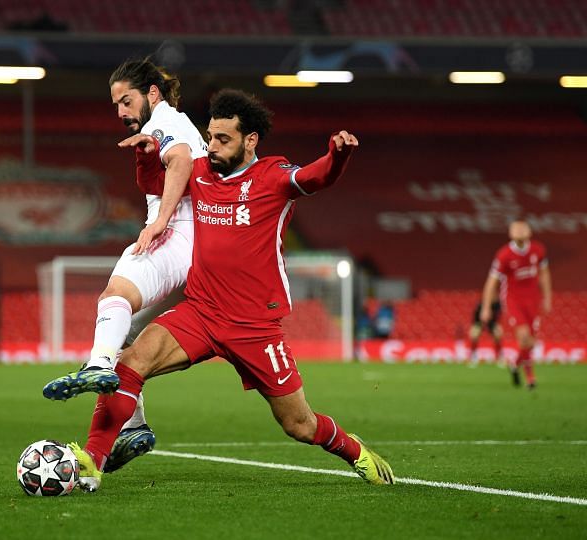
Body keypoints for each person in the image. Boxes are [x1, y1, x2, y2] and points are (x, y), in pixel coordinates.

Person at [50, 89, 394, 491]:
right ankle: (93, 461)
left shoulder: (273, 176)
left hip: (255, 327)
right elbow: (156, 185)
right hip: (201, 312)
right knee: (128, 363)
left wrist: (338, 155)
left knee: (298, 424)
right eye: (210, 136)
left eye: (223, 139)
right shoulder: (200, 171)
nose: (211, 147)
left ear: (251, 140)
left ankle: (356, 452)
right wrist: (145, 155)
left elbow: (317, 176)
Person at [43, 58, 207, 472]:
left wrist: (160, 221)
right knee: (128, 336)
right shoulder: (165, 124)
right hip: (200, 246)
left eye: (127, 100)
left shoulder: (166, 120)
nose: (120, 111)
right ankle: (133, 425)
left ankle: (97, 365)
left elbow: (183, 159)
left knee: (114, 296)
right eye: (116, 104)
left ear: (152, 93)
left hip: (180, 236)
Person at [480, 220, 551, 388]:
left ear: (529, 231)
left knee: (531, 342)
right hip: (513, 300)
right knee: (525, 337)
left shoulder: (538, 250)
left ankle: (514, 364)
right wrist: (486, 307)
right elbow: (491, 282)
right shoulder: (504, 255)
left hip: (533, 300)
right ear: (510, 233)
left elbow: (545, 274)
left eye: (522, 228)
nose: (519, 231)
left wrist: (547, 297)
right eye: (516, 228)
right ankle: (530, 378)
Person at [466, 299, 502, 366]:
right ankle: (473, 356)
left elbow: (497, 317)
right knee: (474, 334)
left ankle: (499, 356)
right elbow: (475, 316)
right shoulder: (481, 304)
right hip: (479, 322)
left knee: (498, 333)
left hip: (491, 322)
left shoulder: (497, 305)